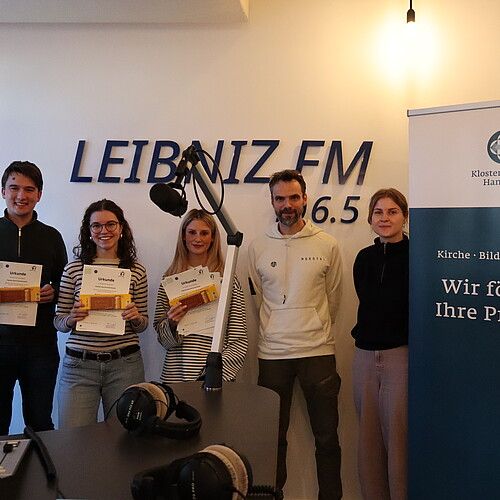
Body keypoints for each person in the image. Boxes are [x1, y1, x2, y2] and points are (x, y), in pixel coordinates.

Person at [248, 169, 343, 500]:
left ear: (304, 199)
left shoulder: (327, 244)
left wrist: (313, 324)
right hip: (273, 355)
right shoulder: (257, 246)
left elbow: (334, 298)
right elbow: (258, 298)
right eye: (280, 199)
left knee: (327, 438)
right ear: (272, 202)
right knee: (272, 439)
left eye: (293, 197)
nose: (286, 205)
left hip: (318, 351)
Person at [54, 199, 148, 428]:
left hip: (125, 365)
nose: (104, 231)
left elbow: (143, 324)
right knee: (73, 438)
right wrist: (71, 318)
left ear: (121, 228)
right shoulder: (73, 269)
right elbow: (58, 321)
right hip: (79, 367)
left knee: (123, 438)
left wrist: (136, 317)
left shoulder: (136, 271)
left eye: (110, 224)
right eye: (96, 225)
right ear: (88, 230)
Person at [0, 161, 67, 436]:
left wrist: (54, 290)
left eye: (29, 189)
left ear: (39, 195)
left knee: (40, 424)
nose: (21, 195)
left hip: (40, 347)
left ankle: (40, 467)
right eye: (14, 188)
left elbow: (66, 283)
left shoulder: (51, 237)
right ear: (3, 191)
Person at [351, 188, 409, 500]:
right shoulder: (363, 259)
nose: (384, 218)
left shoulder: (417, 257)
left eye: (392, 212)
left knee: (398, 438)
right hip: (363, 357)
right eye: (378, 212)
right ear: (370, 218)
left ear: (404, 217)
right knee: (368, 439)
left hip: (400, 356)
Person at [154, 209, 247, 383]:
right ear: (183, 236)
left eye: (204, 233)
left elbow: (238, 339)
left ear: (212, 238)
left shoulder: (227, 279)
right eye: (192, 232)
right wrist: (171, 323)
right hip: (176, 376)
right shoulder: (169, 280)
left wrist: (213, 375)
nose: (197, 239)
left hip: (214, 378)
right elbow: (163, 340)